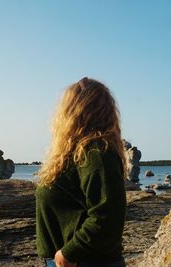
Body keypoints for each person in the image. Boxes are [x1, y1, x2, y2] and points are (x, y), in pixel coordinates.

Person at [36, 77, 127, 267]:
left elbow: (108, 217)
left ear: (75, 109)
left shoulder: (95, 152)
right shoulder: (77, 152)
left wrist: (69, 254)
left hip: (85, 262)